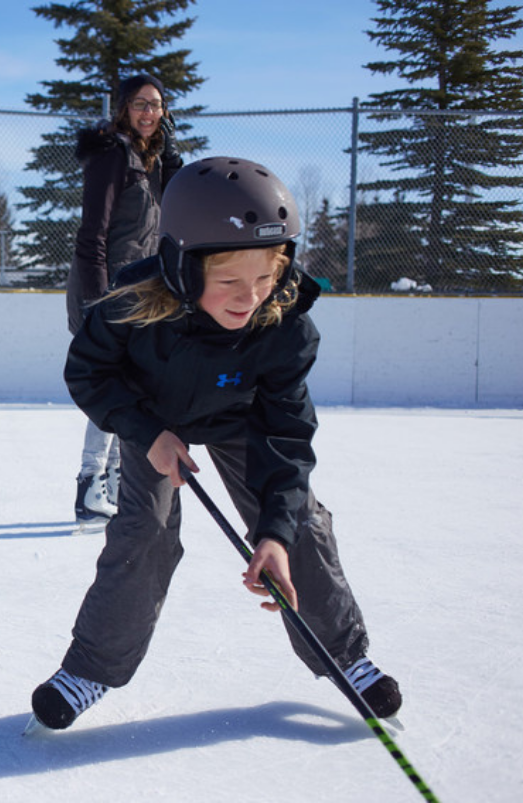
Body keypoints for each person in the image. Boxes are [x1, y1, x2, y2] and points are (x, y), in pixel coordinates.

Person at [30, 156, 401, 731]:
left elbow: (286, 434)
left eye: (264, 278)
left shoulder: (286, 324)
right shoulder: (130, 305)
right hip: (152, 419)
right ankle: (92, 669)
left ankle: (345, 657)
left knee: (299, 522)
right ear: (181, 266)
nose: (248, 297)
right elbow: (88, 374)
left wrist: (274, 534)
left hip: (240, 422)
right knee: (144, 531)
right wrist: (147, 433)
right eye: (228, 281)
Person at [67, 74, 183, 531]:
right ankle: (91, 481)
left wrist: (173, 162)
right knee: (111, 386)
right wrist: (97, 300)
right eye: (140, 104)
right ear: (123, 109)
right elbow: (91, 234)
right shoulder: (113, 155)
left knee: (132, 387)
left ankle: (111, 481)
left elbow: (174, 210)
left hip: (140, 291)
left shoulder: (150, 159)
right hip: (108, 290)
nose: (149, 113)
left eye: (156, 105)